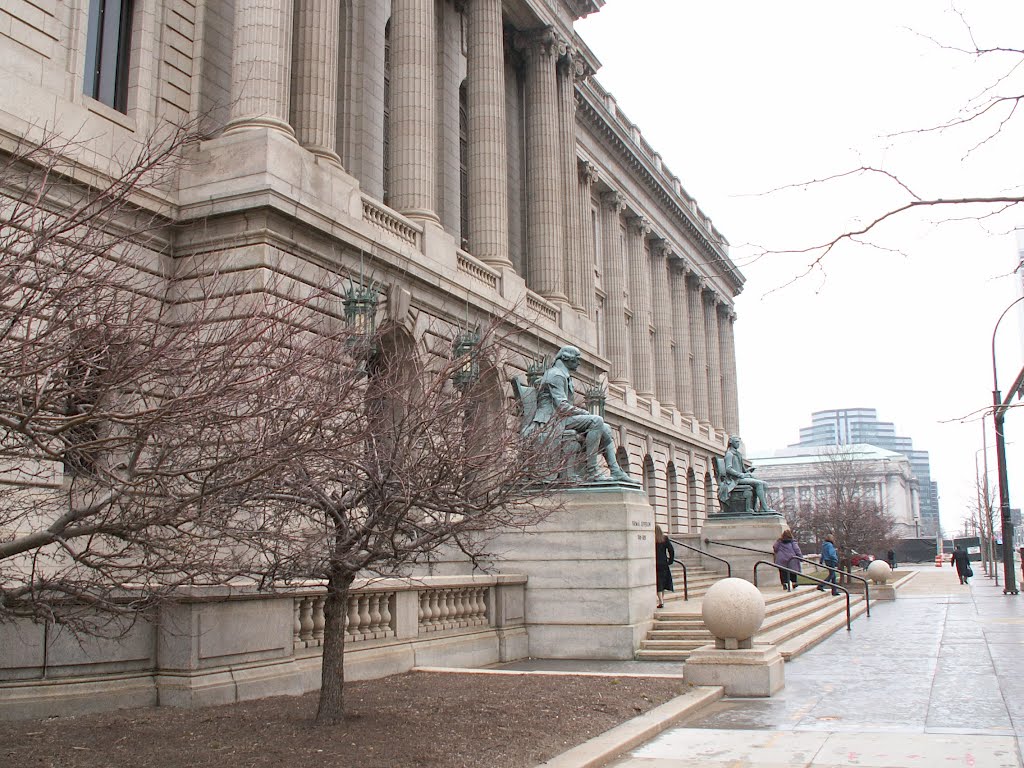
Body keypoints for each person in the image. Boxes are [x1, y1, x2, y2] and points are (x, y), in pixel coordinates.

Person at [530, 346, 630, 482]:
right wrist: (585, 413)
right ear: (566, 358)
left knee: (605, 427)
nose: (579, 363)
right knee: (597, 421)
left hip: (560, 419)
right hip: (551, 421)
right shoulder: (556, 375)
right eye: (577, 359)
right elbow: (562, 407)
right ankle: (592, 470)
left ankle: (615, 470)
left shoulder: (562, 375)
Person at [718, 435, 775, 513]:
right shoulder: (729, 454)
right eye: (736, 442)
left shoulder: (738, 454)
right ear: (731, 442)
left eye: (739, 442)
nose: (738, 444)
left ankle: (762, 508)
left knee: (764, 484)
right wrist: (740, 474)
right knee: (759, 483)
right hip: (734, 480)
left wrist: (748, 471)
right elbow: (728, 469)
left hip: (740, 477)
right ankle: (765, 508)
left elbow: (742, 470)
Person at [654, 525, 674, 609]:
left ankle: (661, 601)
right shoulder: (664, 538)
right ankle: (662, 600)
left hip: (655, 563)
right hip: (664, 563)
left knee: (658, 583)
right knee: (662, 582)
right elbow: (671, 550)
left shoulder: (653, 539)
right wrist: (670, 560)